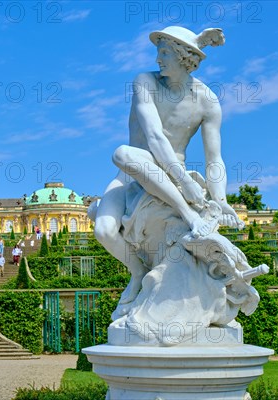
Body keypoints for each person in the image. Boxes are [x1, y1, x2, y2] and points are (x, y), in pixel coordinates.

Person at [93, 26, 244, 305]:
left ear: (185, 58)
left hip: (173, 174)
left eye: (164, 53)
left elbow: (214, 159)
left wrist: (220, 199)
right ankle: (137, 272)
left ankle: (189, 216)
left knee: (123, 154)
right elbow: (154, 136)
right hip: (135, 169)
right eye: (158, 52)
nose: (158, 59)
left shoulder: (207, 101)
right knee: (104, 226)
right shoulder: (144, 82)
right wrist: (185, 183)